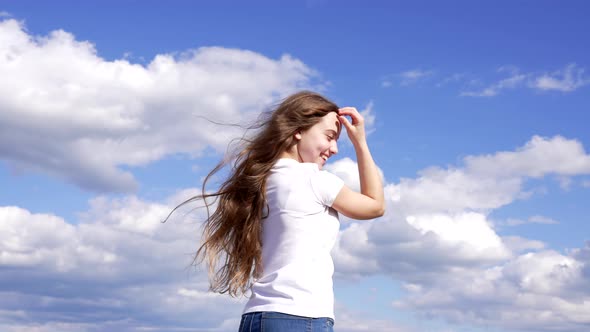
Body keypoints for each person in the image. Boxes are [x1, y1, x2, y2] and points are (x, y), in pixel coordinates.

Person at [166, 91, 384, 332]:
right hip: (300, 316)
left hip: (255, 318)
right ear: (298, 130)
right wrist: (360, 143)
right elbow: (375, 205)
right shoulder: (315, 180)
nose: (334, 149)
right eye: (330, 136)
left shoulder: (260, 182)